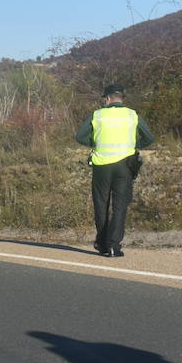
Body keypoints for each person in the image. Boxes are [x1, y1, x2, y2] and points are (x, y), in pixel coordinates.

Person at [75, 84, 153, 257]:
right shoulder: (133, 115)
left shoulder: (98, 115)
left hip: (101, 165)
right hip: (125, 165)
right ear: (121, 98)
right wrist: (135, 146)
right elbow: (149, 137)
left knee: (101, 204)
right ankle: (113, 246)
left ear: (108, 99)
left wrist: (94, 143)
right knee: (119, 206)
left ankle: (102, 244)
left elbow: (79, 136)